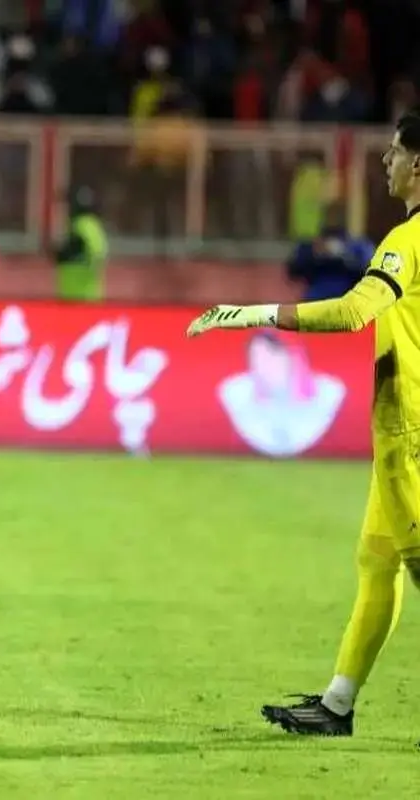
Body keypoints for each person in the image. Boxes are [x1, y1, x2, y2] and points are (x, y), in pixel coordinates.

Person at [185, 111, 420, 737]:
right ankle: (337, 705)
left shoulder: (406, 241)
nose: (386, 161)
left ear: (418, 164)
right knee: (378, 561)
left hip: (410, 433)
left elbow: (352, 312)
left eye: (395, 151)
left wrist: (252, 313)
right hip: (403, 429)